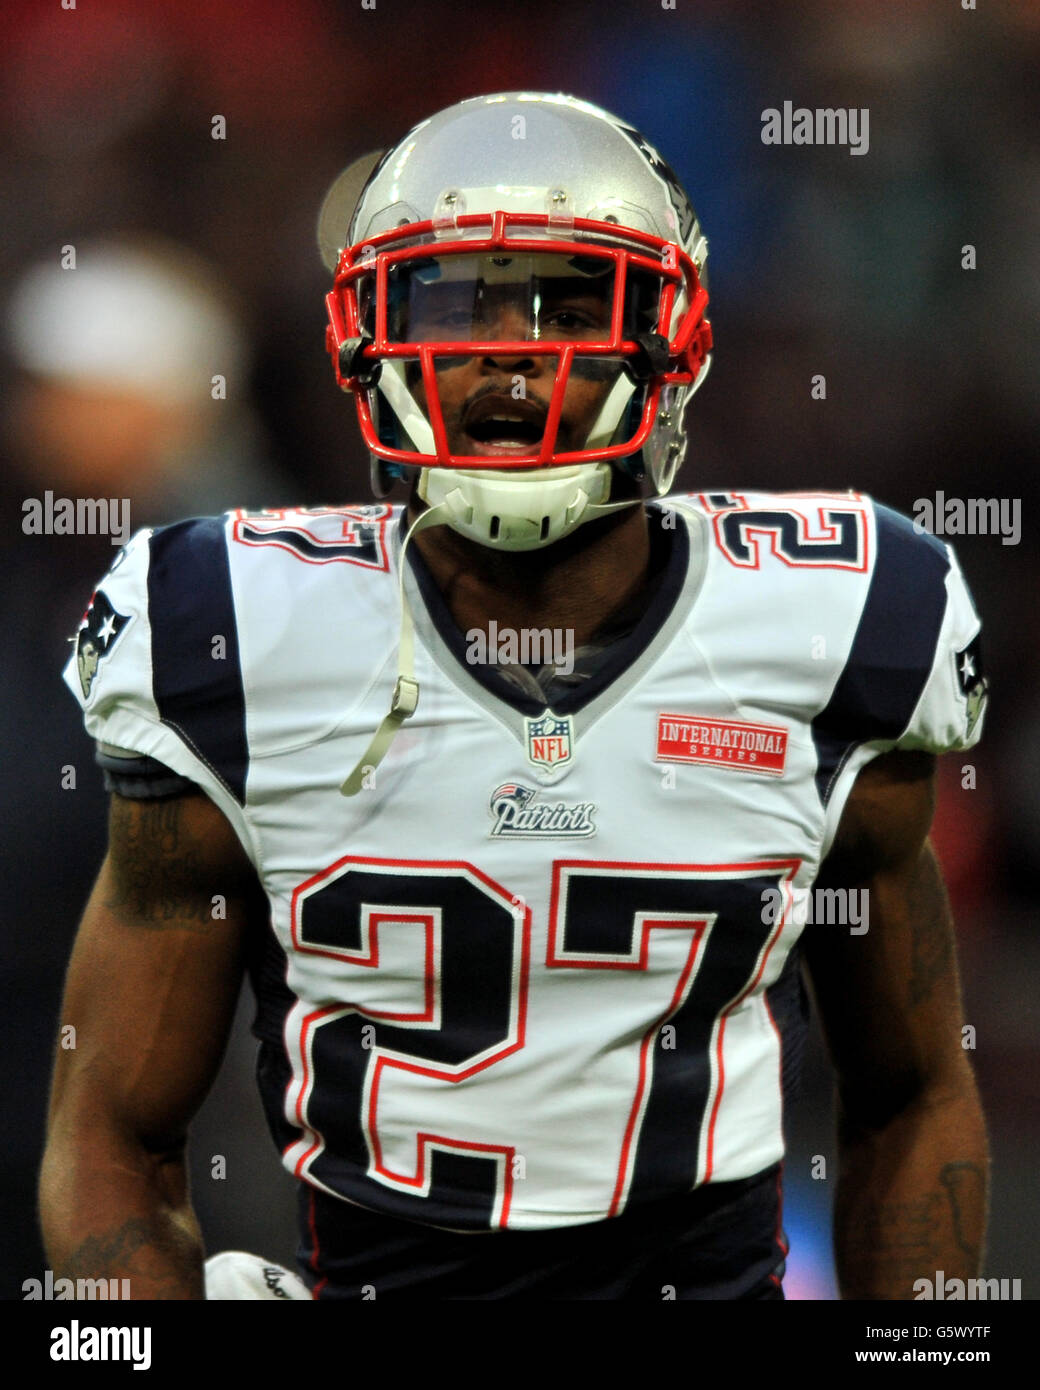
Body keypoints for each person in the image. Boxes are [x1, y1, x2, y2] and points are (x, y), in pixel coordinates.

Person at [42, 92, 989, 1301]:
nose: (507, 345)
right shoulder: (227, 627)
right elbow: (111, 1129)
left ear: (671, 335)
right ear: (364, 330)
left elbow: (910, 1093)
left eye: (567, 299)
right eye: (455, 298)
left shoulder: (839, 622)